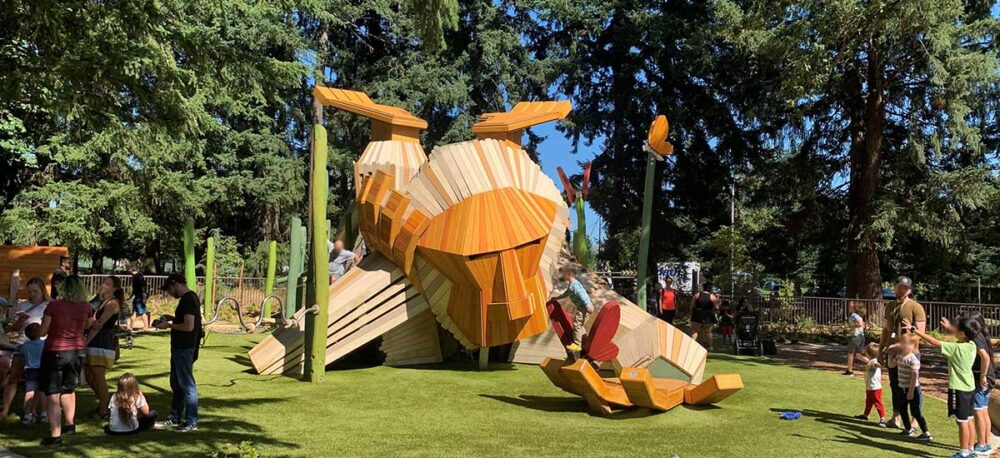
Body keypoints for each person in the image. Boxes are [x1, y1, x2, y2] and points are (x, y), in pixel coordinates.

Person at [906, 316, 977, 458]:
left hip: (958, 389)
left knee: (961, 421)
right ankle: (970, 450)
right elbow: (960, 336)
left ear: (962, 333)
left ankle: (963, 452)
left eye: (957, 329)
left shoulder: (956, 348)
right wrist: (949, 327)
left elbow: (935, 342)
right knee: (969, 420)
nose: (954, 330)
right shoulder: (972, 345)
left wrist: (915, 331)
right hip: (970, 388)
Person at [37, 274, 91, 446]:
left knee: (53, 393)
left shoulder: (54, 305)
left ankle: (55, 435)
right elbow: (88, 324)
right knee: (69, 389)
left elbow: (43, 331)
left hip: (56, 350)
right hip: (78, 351)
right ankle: (70, 425)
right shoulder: (86, 306)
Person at [153, 273, 202, 432]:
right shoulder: (189, 298)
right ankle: (174, 417)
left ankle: (191, 421)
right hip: (180, 347)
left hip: (184, 348)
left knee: (187, 384)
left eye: (169, 289)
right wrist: (172, 318)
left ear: (176, 284)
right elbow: (186, 321)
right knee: (177, 384)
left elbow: (188, 327)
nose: (169, 294)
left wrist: (168, 325)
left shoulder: (188, 299)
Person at [878, 276, 926, 430]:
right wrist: (880, 349)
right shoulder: (889, 306)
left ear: (910, 290)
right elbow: (886, 330)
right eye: (899, 287)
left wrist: (911, 327)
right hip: (893, 352)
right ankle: (896, 417)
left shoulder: (916, 307)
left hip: (910, 354)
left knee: (913, 386)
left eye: (905, 288)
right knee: (895, 386)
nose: (902, 290)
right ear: (895, 287)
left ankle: (915, 419)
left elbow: (921, 333)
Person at [943, 313, 995, 456]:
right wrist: (950, 328)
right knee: (983, 410)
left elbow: (984, 357)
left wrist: (983, 376)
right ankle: (984, 443)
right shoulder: (980, 335)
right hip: (987, 376)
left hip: (981, 377)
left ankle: (980, 445)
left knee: (977, 412)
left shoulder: (974, 339)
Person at [0, 277, 50, 419]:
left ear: (42, 291)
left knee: (39, 380)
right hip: (23, 344)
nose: (32, 294)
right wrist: (21, 320)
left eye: (35, 291)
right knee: (14, 376)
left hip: (40, 346)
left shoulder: (48, 306)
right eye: (30, 291)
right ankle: (6, 409)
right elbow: (13, 329)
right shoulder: (23, 305)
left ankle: (39, 411)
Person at [83, 276, 123, 421]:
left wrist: (86, 339)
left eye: (107, 284)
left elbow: (98, 325)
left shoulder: (112, 303)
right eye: (104, 282)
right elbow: (91, 322)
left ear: (114, 288)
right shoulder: (101, 302)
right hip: (94, 340)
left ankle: (103, 409)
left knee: (98, 376)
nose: (103, 285)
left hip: (102, 341)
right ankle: (104, 400)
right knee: (89, 375)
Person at [889, 335, 931, 440]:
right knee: (902, 409)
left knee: (915, 411)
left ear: (913, 346)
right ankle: (908, 429)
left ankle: (926, 433)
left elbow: (914, 377)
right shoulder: (899, 356)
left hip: (912, 389)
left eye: (904, 343)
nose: (901, 345)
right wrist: (890, 354)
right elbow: (891, 365)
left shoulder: (913, 360)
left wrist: (911, 391)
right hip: (902, 387)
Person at [553, 266, 593, 352]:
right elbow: (566, 294)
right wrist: (557, 298)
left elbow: (582, 294)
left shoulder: (574, 285)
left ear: (570, 274)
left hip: (584, 308)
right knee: (580, 325)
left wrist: (588, 304)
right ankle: (585, 342)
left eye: (564, 274)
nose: (563, 276)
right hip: (582, 308)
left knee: (577, 325)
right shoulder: (571, 286)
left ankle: (577, 345)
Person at [17, 323, 45, 424]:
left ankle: (27, 415)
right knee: (43, 392)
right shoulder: (44, 344)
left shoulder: (25, 346)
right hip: (42, 369)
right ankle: (44, 414)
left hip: (30, 370)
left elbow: (21, 355)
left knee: (29, 392)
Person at [853, 343, 887, 426]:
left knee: (877, 403)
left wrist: (859, 357)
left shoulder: (873, 362)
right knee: (868, 402)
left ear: (868, 353)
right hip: (870, 387)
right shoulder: (873, 361)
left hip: (875, 388)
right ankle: (865, 415)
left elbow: (875, 364)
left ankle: (882, 418)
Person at [690, 282, 719, 351]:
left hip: (698, 313)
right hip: (708, 314)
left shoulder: (697, 295)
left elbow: (691, 306)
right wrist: (718, 301)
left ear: (703, 287)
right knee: (708, 331)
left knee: (695, 330)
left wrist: (691, 313)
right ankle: (710, 346)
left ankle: (691, 345)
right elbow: (717, 307)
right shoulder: (712, 297)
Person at [845, 301, 865, 375]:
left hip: (855, 336)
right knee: (859, 355)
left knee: (850, 353)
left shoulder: (853, 315)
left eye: (850, 306)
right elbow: (861, 324)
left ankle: (849, 371)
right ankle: (874, 364)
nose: (849, 307)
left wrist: (851, 327)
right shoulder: (858, 315)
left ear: (854, 307)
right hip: (861, 336)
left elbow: (860, 324)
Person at [130, 265, 150, 331]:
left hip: (139, 296)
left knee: (142, 312)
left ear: (131, 270)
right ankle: (130, 326)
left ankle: (146, 327)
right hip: (140, 296)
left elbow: (135, 288)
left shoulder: (136, 277)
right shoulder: (140, 276)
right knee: (135, 312)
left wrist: (132, 296)